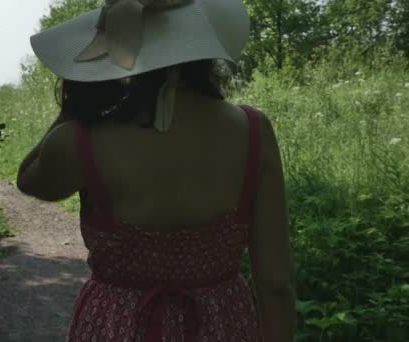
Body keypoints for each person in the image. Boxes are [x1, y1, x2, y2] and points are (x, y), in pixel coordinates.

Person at [17, 0, 296, 341]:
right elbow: (276, 284)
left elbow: (29, 179)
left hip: (114, 326)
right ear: (201, 42)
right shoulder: (253, 131)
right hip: (224, 324)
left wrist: (78, 101)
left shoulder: (78, 142)